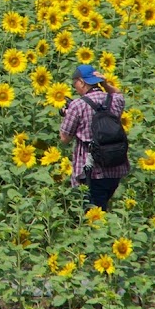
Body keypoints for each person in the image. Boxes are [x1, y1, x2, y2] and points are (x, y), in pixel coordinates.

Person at [59, 64, 130, 211]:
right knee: (102, 208)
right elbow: (119, 94)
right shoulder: (114, 100)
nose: (75, 88)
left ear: (82, 82)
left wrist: (68, 114)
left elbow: (64, 138)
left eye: (75, 84)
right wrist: (105, 83)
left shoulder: (78, 105)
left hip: (90, 171)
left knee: (92, 215)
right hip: (115, 168)